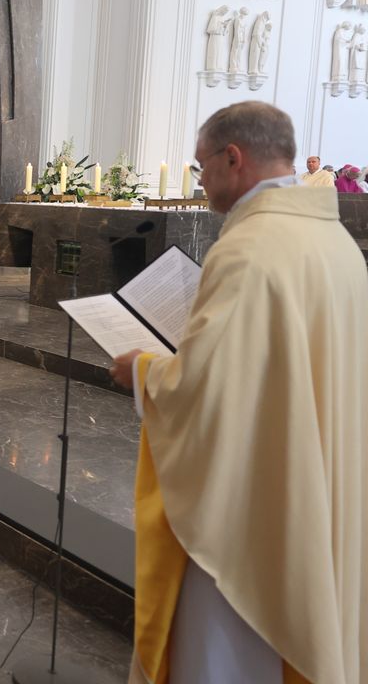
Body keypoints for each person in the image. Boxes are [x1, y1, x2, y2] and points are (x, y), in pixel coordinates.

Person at [109, 102, 367, 684]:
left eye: (202, 167)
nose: (199, 181)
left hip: (250, 510)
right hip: (313, 480)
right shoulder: (337, 244)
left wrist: (143, 370)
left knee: (227, 656)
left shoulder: (249, 250)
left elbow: (202, 390)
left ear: (234, 158)